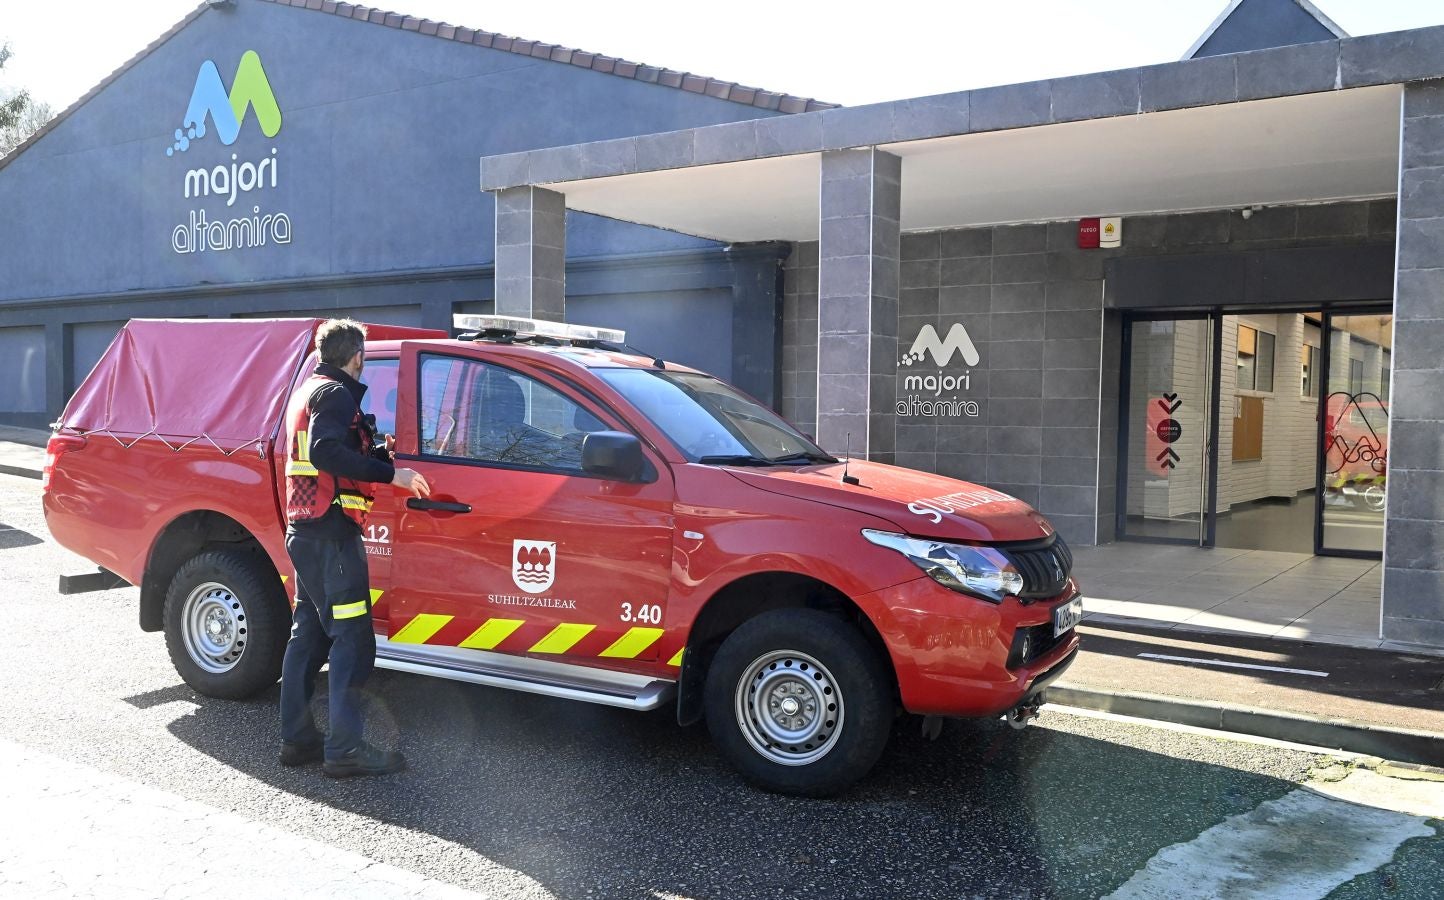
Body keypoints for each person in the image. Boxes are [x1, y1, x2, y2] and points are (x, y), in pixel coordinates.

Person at [278, 318, 431, 777]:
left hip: (306, 531)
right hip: (332, 536)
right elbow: (325, 452)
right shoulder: (335, 394)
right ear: (357, 357)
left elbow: (326, 453)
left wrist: (373, 457)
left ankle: (298, 740)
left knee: (309, 633)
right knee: (353, 641)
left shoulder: (307, 390)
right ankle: (344, 750)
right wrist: (393, 474)